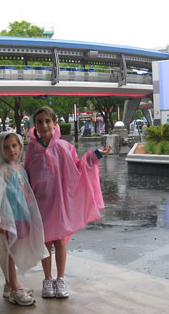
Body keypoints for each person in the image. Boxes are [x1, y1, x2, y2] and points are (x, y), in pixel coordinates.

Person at [24, 106, 111, 299]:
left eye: (48, 121)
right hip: (40, 203)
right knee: (45, 241)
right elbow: (26, 173)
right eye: (39, 122)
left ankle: (60, 278)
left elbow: (77, 167)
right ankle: (48, 278)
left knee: (60, 240)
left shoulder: (64, 147)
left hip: (60, 202)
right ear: (35, 126)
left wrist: (94, 155)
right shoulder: (31, 149)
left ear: (55, 124)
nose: (44, 125)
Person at [0, 131, 48, 307]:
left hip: (20, 216)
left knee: (15, 250)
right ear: (0, 150)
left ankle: (9, 285)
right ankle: (14, 286)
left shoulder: (20, 168)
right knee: (8, 252)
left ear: (20, 146)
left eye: (14, 146)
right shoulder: (2, 171)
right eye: (6, 148)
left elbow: (26, 192)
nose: (11, 150)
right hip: (8, 218)